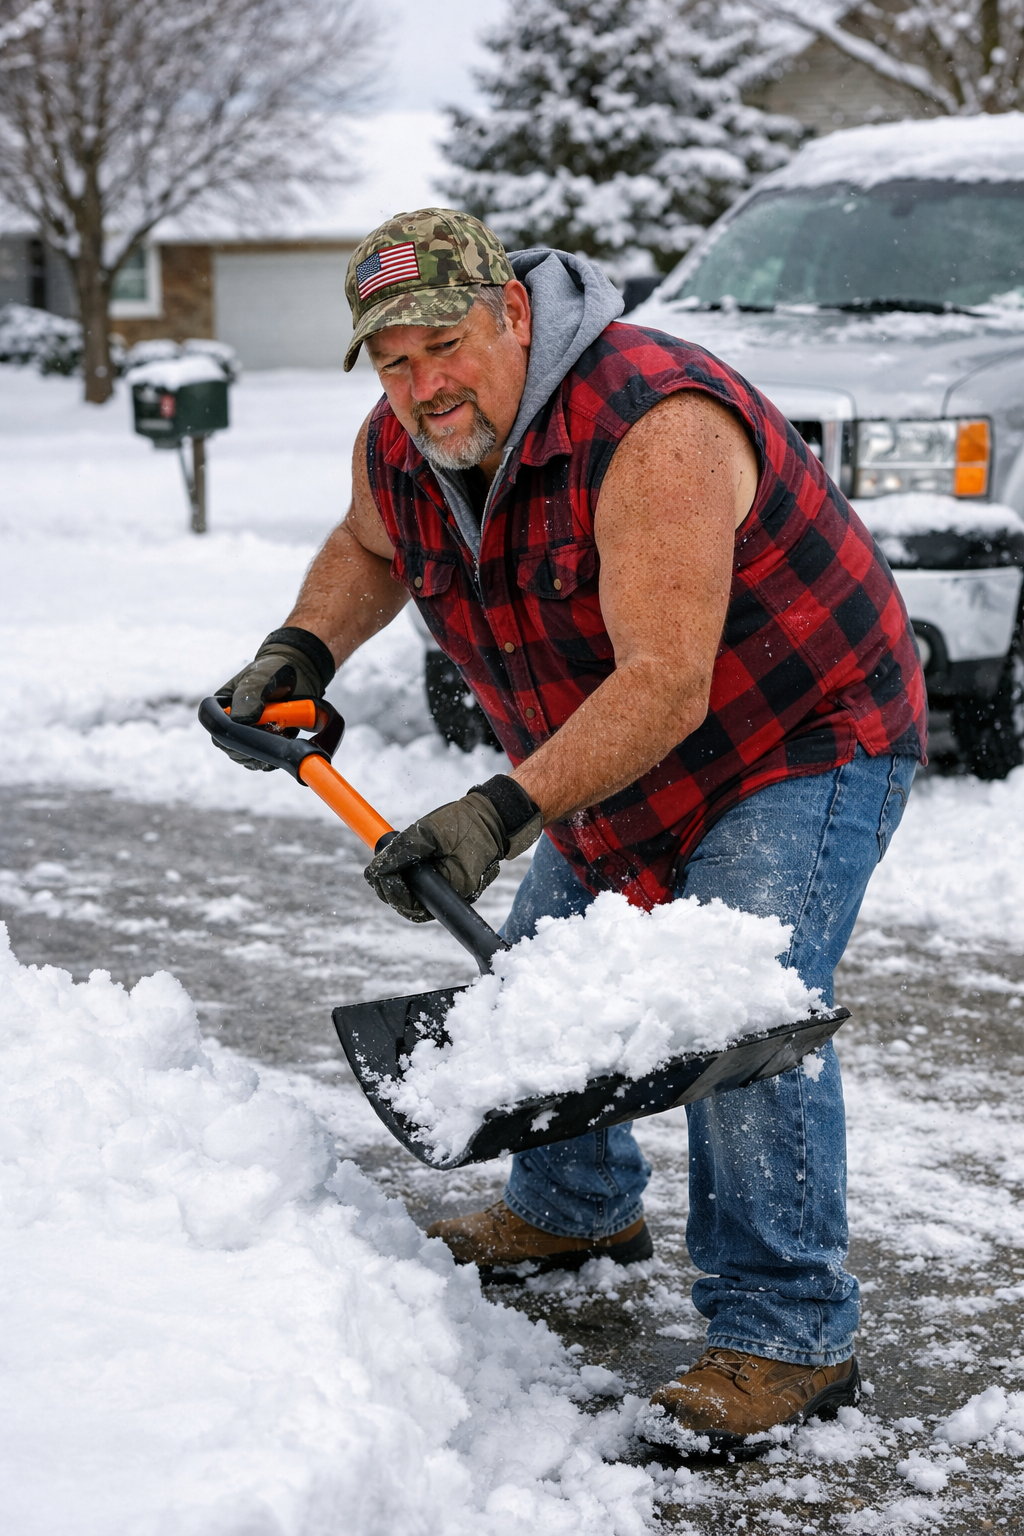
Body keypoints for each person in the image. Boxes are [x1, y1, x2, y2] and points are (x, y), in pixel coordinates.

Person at [216, 208, 926, 1452]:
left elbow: (664, 681)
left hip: (801, 729)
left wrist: (498, 811)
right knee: (547, 984)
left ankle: (785, 1334)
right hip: (619, 756)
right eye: (393, 362)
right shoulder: (406, 441)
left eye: (445, 344)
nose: (423, 386)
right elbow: (370, 546)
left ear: (513, 313)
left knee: (737, 1009)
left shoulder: (654, 425)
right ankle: (573, 1208)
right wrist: (298, 651)